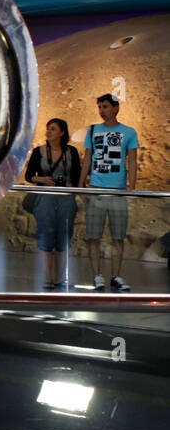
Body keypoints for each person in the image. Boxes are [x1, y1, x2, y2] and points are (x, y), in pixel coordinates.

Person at [80, 93, 139, 292]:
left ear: (115, 108)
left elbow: (131, 160)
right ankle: (97, 275)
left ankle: (116, 275)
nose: (102, 111)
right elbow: (87, 158)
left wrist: (132, 187)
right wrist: (81, 185)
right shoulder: (93, 130)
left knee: (118, 236)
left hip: (118, 191)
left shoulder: (129, 132)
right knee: (93, 236)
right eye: (100, 107)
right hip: (96, 189)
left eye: (105, 106)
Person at [23, 118, 81, 290]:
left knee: (63, 237)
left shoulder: (72, 152)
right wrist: (43, 179)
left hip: (66, 198)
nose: (48, 132)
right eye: (48, 129)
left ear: (62, 133)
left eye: (53, 129)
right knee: (46, 237)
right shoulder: (38, 151)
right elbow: (28, 176)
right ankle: (48, 279)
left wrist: (76, 192)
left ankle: (60, 279)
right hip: (45, 198)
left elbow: (77, 175)